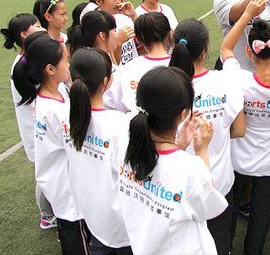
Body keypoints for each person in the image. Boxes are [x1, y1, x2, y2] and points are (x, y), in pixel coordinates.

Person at [116, 66, 228, 254]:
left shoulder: (126, 144)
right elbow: (208, 208)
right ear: (183, 114)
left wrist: (178, 146)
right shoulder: (189, 168)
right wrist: (202, 152)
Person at [220, 0, 270, 254]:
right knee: (261, 213)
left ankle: (227, 248)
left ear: (249, 51)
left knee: (230, 209)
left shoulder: (239, 80)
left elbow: (225, 49)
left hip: (238, 160)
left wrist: (246, 15)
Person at [169, 18, 246, 255]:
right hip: (218, 182)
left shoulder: (165, 83)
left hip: (177, 186)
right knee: (220, 241)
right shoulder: (226, 81)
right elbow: (239, 130)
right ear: (205, 48)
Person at [11, 31, 91, 254]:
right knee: (78, 242)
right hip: (68, 192)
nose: (69, 63)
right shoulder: (54, 109)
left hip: (61, 186)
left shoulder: (53, 93)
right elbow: (77, 145)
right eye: (65, 59)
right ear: (50, 69)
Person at [67, 47, 132, 254]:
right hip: (121, 224)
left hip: (93, 215)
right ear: (105, 82)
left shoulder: (69, 117)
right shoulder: (118, 124)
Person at [0, 13, 57, 230]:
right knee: (44, 174)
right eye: (37, 26)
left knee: (48, 170)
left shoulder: (29, 59)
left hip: (41, 128)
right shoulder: (23, 65)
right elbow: (34, 103)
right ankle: (47, 215)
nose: (42, 28)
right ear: (24, 34)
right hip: (38, 130)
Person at [67, 8, 129, 113]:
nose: (117, 34)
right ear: (102, 35)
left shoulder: (77, 62)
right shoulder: (112, 74)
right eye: (114, 30)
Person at [119, 12, 173, 113]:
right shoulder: (180, 64)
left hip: (135, 126)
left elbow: (122, 106)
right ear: (169, 34)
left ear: (138, 40)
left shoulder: (128, 68)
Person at [88, 0, 139, 66]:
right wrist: (118, 42)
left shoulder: (124, 18)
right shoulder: (95, 26)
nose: (119, 3)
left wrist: (133, 15)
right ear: (99, 1)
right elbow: (110, 63)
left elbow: (147, 37)